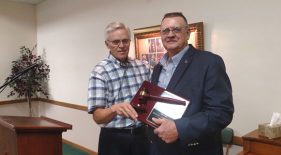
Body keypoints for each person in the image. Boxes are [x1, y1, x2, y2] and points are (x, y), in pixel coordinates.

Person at [147, 12, 234, 155]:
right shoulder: (158, 68)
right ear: (161, 35)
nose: (170, 34)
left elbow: (221, 112)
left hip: (195, 150)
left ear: (187, 33)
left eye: (176, 29)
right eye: (166, 31)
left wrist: (179, 128)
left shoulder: (209, 62)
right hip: (159, 147)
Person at [87, 22, 150, 155]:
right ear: (107, 44)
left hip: (142, 136)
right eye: (116, 42)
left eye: (125, 41)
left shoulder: (142, 66)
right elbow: (97, 117)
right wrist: (114, 109)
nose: (121, 46)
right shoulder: (100, 72)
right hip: (113, 139)